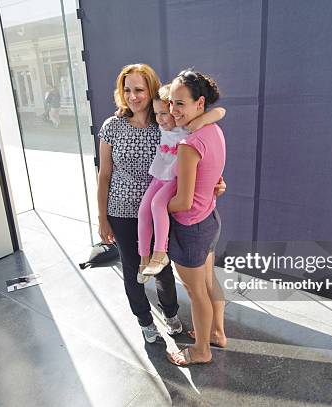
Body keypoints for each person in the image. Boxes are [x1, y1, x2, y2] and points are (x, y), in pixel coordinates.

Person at [97, 63, 183, 343]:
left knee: (162, 266)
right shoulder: (112, 127)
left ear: (151, 90)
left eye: (139, 89)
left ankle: (170, 313)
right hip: (121, 211)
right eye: (127, 89)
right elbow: (105, 174)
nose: (133, 96)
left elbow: (195, 150)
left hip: (159, 211)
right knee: (133, 268)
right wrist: (102, 218)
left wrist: (215, 181)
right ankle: (145, 320)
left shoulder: (165, 124)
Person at [165, 69, 227, 366]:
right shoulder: (212, 130)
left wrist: (158, 207)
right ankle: (217, 333)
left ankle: (202, 350)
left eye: (180, 104)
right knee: (208, 281)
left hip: (191, 228)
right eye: (171, 103)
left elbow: (183, 202)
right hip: (210, 221)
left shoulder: (189, 145)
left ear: (199, 103)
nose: (173, 111)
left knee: (196, 291)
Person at [138, 84, 225, 281]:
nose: (160, 119)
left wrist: (203, 118)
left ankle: (160, 253)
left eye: (164, 113)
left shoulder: (185, 127)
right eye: (156, 114)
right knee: (144, 210)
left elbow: (220, 111)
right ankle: (144, 258)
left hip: (173, 178)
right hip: (160, 174)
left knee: (156, 205)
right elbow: (139, 108)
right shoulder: (162, 124)